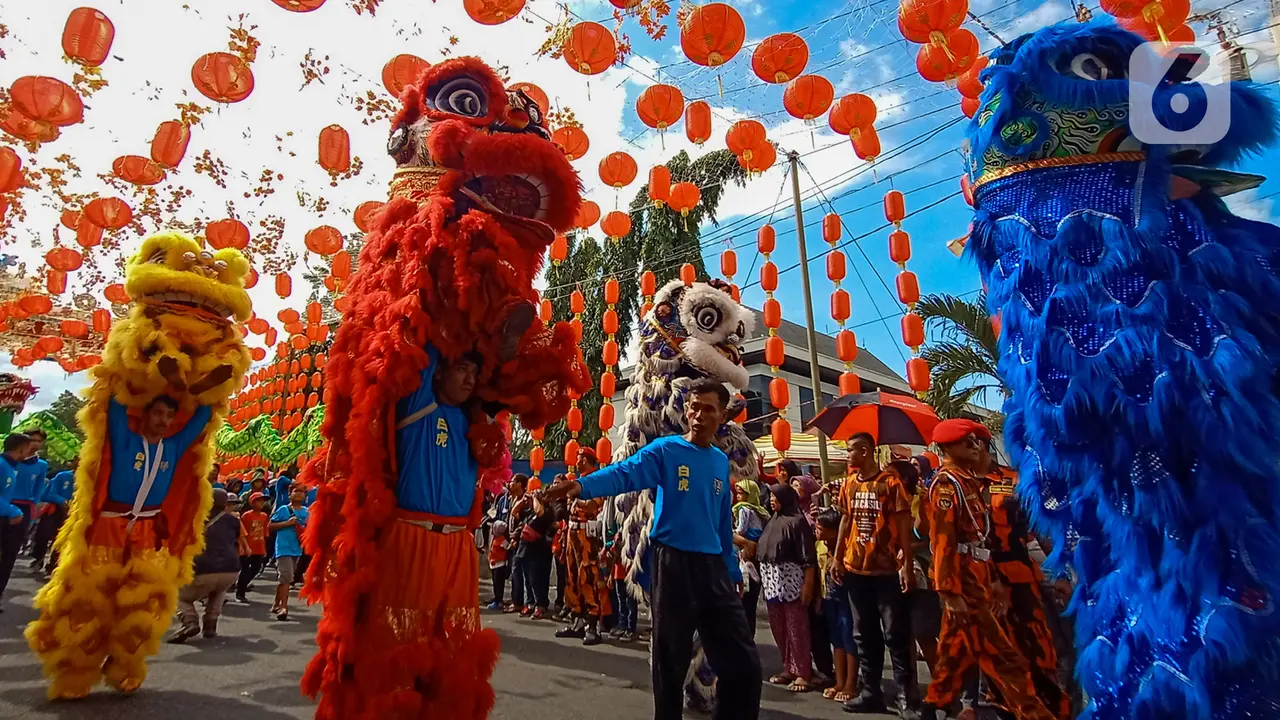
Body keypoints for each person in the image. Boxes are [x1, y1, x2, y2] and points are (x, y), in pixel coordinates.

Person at [543, 378, 762, 720]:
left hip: (713, 570)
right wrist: (582, 485)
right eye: (694, 407)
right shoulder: (666, 451)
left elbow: (721, 524)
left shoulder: (720, 462)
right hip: (672, 563)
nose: (699, 415)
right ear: (686, 411)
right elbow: (625, 473)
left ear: (722, 416)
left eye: (709, 409)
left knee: (744, 664)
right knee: (670, 662)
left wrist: (732, 570)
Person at [919, 419, 1056, 720]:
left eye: (977, 441)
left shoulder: (966, 481)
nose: (976, 446)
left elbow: (982, 538)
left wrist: (992, 581)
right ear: (947, 448)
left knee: (953, 654)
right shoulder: (947, 485)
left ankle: (932, 707)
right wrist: (948, 591)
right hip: (963, 580)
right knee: (1006, 660)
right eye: (967, 442)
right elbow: (943, 541)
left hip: (978, 574)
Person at [967, 439, 1071, 720]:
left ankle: (1050, 707)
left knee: (1041, 646)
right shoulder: (954, 485)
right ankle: (996, 707)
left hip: (1020, 577)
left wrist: (1059, 573)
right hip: (979, 581)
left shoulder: (1013, 481)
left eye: (974, 445)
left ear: (985, 447)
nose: (969, 452)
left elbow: (1039, 527)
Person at [832, 432, 920, 717]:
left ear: (866, 451)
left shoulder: (890, 484)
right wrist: (836, 556)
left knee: (895, 633)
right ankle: (871, 692)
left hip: (886, 570)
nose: (848, 456)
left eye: (851, 451)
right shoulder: (848, 484)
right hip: (856, 567)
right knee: (863, 634)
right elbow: (845, 518)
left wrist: (906, 562)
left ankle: (906, 696)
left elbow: (904, 522)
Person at [759, 482, 817, 693]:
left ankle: (803, 672)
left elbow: (808, 558)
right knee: (779, 628)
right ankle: (788, 667)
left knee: (796, 629)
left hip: (791, 582)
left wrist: (808, 585)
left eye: (776, 497)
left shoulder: (797, 521)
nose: (772, 500)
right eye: (771, 496)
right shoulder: (773, 520)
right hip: (772, 583)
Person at [170, 488, 244, 643]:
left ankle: (190, 621)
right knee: (219, 590)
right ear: (225, 504)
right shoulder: (233, 521)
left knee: (180, 595)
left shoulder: (194, 518)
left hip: (202, 568)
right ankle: (210, 625)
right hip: (231, 569)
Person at [556, 449, 611, 645]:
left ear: (586, 461)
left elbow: (592, 506)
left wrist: (575, 496)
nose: (576, 463)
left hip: (587, 535)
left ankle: (593, 626)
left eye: (579, 460)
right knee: (571, 577)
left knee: (588, 576)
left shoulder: (595, 481)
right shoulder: (577, 481)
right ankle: (577, 622)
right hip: (572, 534)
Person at [815, 508, 857, 704]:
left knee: (849, 640)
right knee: (837, 640)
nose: (817, 531)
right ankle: (839, 682)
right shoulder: (820, 547)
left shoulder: (848, 548)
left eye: (821, 528)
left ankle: (851, 684)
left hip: (847, 598)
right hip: (829, 597)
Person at [0, 433, 35, 609]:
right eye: (28, 448)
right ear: (20, 448)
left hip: (7, 519)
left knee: (8, 558)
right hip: (5, 516)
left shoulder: (12, 467)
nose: (30, 453)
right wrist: (12, 510)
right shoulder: (1, 465)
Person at [731, 478, 769, 634]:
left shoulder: (744, 509)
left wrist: (734, 534)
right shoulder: (759, 510)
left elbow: (741, 529)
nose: (738, 496)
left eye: (741, 493)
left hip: (747, 548)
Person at [511, 486, 554, 619]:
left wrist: (536, 498)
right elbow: (514, 512)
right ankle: (530, 604)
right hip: (525, 550)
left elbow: (539, 512)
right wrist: (523, 500)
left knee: (537, 580)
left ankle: (540, 605)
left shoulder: (547, 512)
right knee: (528, 580)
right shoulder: (529, 513)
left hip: (539, 551)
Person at [269, 483, 309, 620]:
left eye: (301, 492)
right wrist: (287, 523)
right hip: (283, 547)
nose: (298, 494)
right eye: (295, 491)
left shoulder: (307, 512)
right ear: (289, 494)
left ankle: (275, 603)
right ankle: (283, 607)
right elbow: (270, 526)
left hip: (297, 549)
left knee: (285, 578)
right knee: (287, 577)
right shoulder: (283, 510)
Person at [31, 457, 77, 574]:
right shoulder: (62, 476)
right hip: (55, 511)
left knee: (61, 540)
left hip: (72, 514)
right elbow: (49, 493)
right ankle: (38, 557)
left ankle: (52, 566)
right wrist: (62, 501)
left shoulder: (90, 479)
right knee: (43, 535)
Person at [236, 492, 270, 604]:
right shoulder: (246, 515)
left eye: (262, 501)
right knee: (244, 570)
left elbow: (265, 534)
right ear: (252, 502)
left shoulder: (264, 516)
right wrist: (243, 546)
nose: (261, 503)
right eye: (258, 501)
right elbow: (242, 532)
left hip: (258, 547)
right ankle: (240, 593)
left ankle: (243, 584)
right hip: (247, 547)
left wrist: (264, 549)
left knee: (256, 568)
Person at [502, 474, 530, 613]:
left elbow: (524, 522)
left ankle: (518, 602)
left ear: (520, 484)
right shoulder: (512, 498)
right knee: (514, 571)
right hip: (512, 539)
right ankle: (515, 599)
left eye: (513, 481)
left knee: (517, 571)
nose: (510, 484)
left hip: (520, 540)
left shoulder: (525, 500)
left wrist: (514, 537)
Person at [486, 520, 511, 609]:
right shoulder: (495, 539)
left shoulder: (502, 540)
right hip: (494, 564)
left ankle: (498, 601)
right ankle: (497, 599)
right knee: (495, 583)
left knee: (498, 584)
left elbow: (508, 547)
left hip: (499, 565)